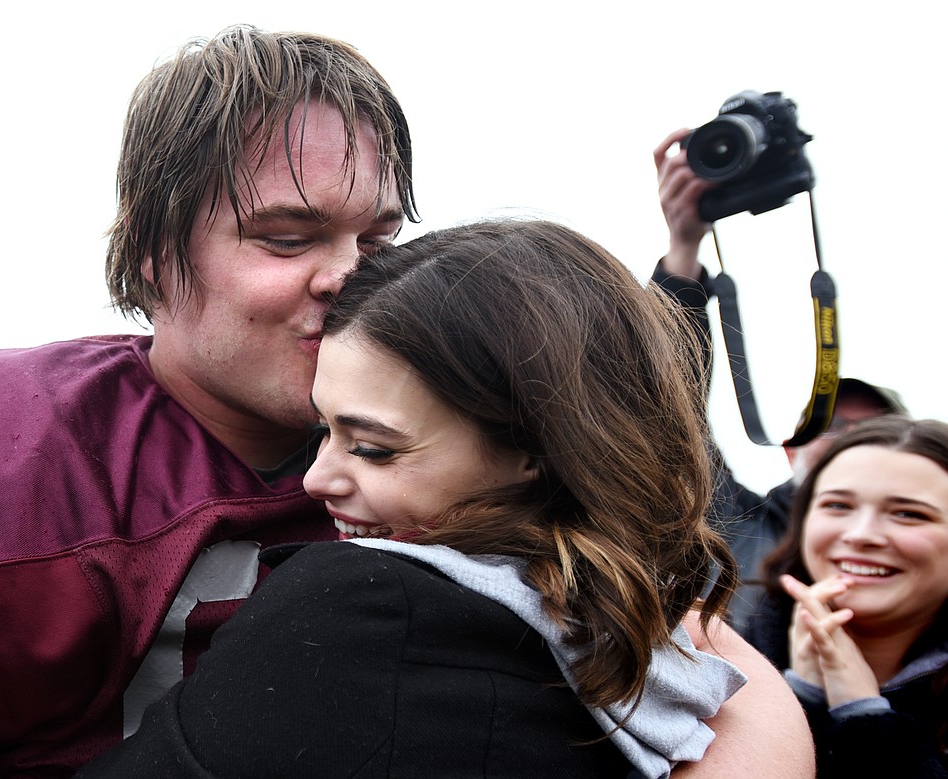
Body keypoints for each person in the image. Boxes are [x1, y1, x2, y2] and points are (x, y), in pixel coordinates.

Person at [0, 26, 415, 778]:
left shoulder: (476, 446)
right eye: (284, 238)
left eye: (376, 241)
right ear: (152, 248)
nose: (349, 277)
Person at [76, 220, 814, 778]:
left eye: (373, 447)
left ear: (536, 446)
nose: (315, 480)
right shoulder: (672, 656)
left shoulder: (364, 605)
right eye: (323, 431)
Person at [651, 127, 907, 636]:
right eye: (830, 429)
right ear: (790, 452)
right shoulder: (728, 525)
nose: (848, 444)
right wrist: (684, 245)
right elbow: (667, 408)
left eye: (873, 432)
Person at [746, 416, 948, 777]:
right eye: (838, 506)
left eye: (908, 514)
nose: (860, 534)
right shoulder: (727, 659)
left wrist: (864, 715)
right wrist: (797, 698)